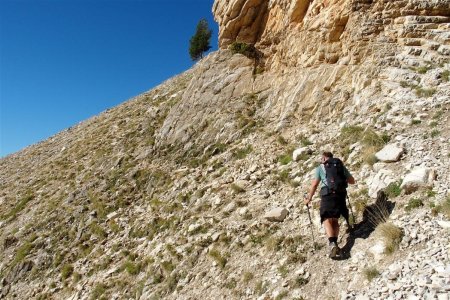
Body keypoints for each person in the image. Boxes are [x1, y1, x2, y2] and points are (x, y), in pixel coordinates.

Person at [304, 151, 355, 259]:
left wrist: (309, 198)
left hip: (327, 194)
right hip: (340, 195)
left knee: (327, 218)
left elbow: (314, 184)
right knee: (335, 219)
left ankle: (332, 243)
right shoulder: (339, 165)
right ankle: (335, 243)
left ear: (323, 158)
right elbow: (352, 181)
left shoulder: (321, 168)